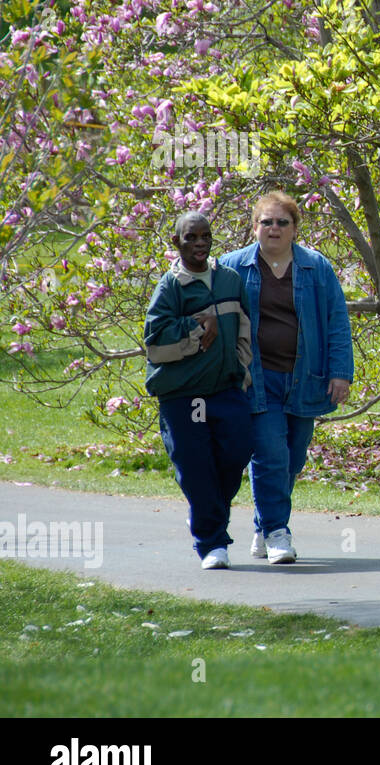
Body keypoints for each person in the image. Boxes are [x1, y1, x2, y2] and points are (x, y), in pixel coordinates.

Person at [219, 192, 353, 565]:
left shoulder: (316, 267)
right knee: (269, 454)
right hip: (254, 380)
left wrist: (340, 373)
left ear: (295, 228)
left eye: (282, 222)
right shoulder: (231, 268)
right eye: (266, 222)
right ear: (254, 226)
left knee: (293, 457)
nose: (274, 229)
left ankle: (263, 525)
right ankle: (279, 532)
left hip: (304, 378)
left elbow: (337, 322)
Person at [144, 212, 253, 569]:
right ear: (177, 242)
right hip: (185, 396)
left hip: (226, 390)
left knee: (236, 454)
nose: (200, 243)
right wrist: (195, 325)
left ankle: (208, 516)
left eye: (205, 235)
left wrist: (242, 368)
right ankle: (211, 543)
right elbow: (155, 342)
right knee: (196, 466)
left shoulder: (229, 280)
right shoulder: (170, 286)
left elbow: (244, 328)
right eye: (191, 237)